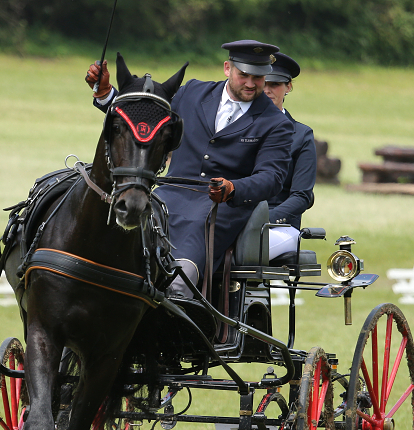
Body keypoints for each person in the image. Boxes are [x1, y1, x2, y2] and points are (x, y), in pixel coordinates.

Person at [86, 41, 294, 298]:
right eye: (244, 75)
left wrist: (234, 188)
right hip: (166, 199)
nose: (251, 84)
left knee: (179, 278)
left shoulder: (276, 123)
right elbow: (143, 118)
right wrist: (106, 93)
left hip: (220, 211)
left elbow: (272, 178)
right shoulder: (192, 92)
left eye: (258, 78)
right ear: (227, 68)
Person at [262, 52, 317, 230]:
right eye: (263, 83)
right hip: (234, 219)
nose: (267, 90)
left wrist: (263, 220)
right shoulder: (235, 128)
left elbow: (301, 196)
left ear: (288, 87)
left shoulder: (302, 135)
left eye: (275, 84)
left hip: (279, 226)